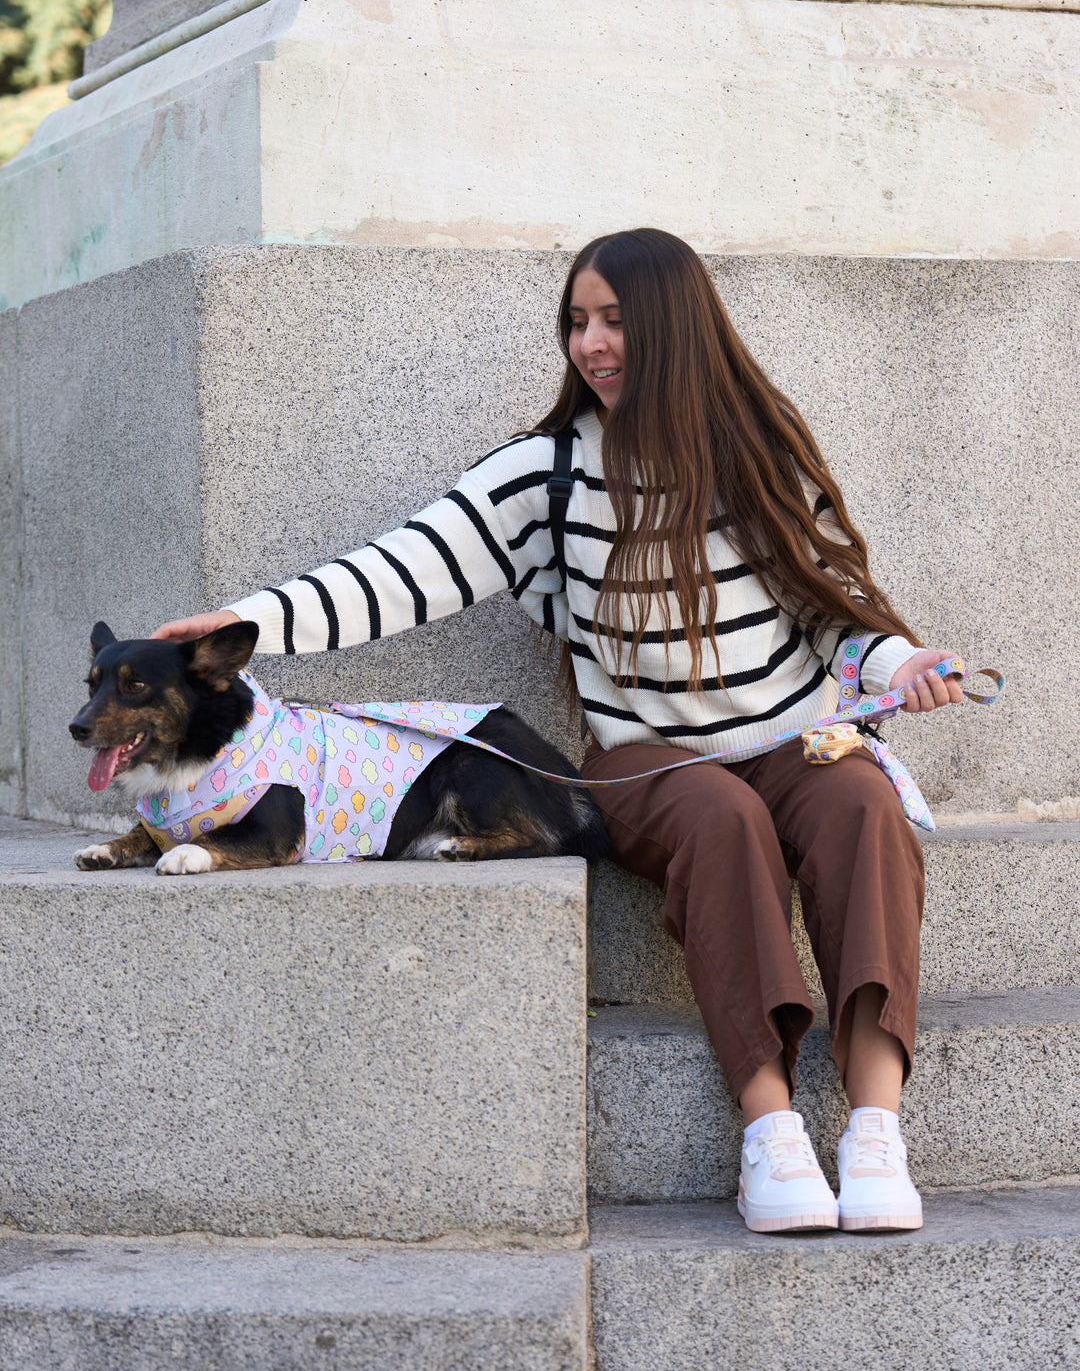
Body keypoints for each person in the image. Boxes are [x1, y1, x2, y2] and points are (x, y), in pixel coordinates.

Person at [154, 228, 961, 1234]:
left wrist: (902, 665)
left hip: (795, 736)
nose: (591, 344)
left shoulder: (754, 449)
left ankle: (876, 1128)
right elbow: (397, 573)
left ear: (673, 326)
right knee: (719, 819)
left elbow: (831, 605)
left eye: (616, 320)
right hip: (650, 762)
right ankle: (772, 1131)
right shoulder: (546, 475)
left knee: (862, 804)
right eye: (578, 322)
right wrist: (243, 626)